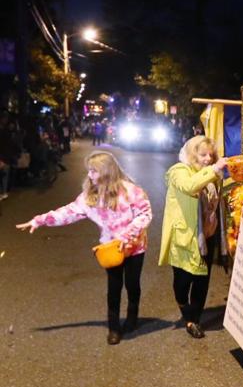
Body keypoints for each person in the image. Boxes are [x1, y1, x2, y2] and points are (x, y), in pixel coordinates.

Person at [16, 151, 153, 345]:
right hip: (111, 249)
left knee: (133, 284)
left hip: (135, 247)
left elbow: (145, 214)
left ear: (106, 172)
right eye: (89, 171)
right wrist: (39, 220)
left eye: (94, 171)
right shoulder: (89, 196)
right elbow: (67, 212)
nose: (90, 175)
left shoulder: (131, 191)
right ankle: (114, 328)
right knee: (113, 288)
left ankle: (132, 317)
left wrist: (127, 235)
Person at [160, 135, 230, 339]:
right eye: (202, 154)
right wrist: (215, 169)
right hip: (184, 237)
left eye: (211, 155)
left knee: (201, 281)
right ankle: (184, 308)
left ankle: (193, 320)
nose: (208, 159)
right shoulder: (179, 171)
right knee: (182, 283)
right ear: (192, 155)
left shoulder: (212, 176)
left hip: (206, 237)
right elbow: (191, 186)